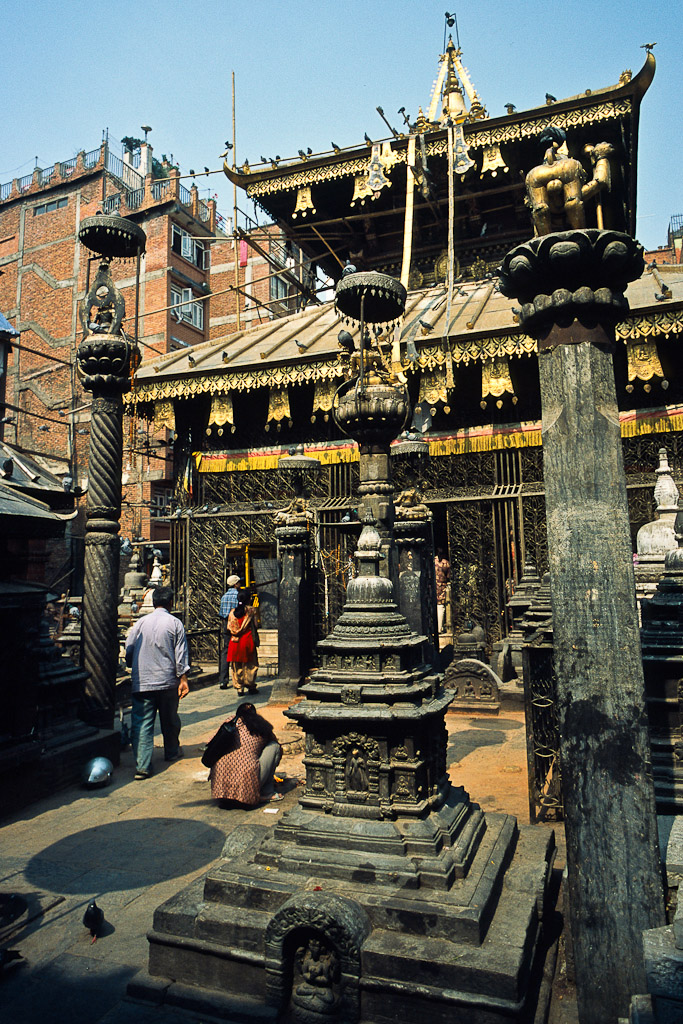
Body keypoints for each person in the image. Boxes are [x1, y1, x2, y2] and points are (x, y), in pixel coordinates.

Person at [125, 585, 190, 780]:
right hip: (167, 680)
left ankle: (142, 765)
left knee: (142, 723)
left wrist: (132, 664)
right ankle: (171, 751)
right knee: (170, 719)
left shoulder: (140, 623)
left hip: (143, 680)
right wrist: (183, 679)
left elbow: (129, 649)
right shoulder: (175, 623)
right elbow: (181, 655)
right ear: (171, 603)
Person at [210, 702, 282, 806]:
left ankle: (226, 792)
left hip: (220, 791)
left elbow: (210, 743)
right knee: (274, 747)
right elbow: (277, 746)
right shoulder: (262, 726)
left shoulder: (228, 722)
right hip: (246, 787)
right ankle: (267, 792)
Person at [227, 590, 259, 695]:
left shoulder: (232, 612)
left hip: (235, 641)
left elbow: (229, 627)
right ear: (249, 599)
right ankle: (250, 685)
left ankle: (239, 687)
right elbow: (256, 624)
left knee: (236, 665)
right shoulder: (251, 611)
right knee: (250, 664)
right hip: (247, 640)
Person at [218, 574, 241, 690]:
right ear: (236, 584)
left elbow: (221, 613)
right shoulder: (238, 596)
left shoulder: (224, 597)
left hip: (225, 623)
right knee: (238, 650)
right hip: (236, 624)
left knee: (226, 651)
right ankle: (239, 678)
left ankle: (223, 680)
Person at [434, 548, 450, 635]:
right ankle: (440, 628)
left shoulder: (433, 562)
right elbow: (448, 576)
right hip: (442, 587)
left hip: (434, 586)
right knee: (441, 607)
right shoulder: (446, 563)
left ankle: (437, 627)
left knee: (436, 607)